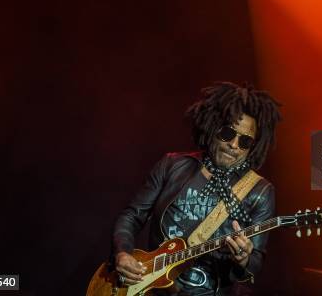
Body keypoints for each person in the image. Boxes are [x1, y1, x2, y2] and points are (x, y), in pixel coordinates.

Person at [112, 82, 282, 295]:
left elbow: (255, 262)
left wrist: (244, 258)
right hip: (153, 288)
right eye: (228, 134)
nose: (234, 145)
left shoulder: (260, 191)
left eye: (245, 141)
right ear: (213, 129)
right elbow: (132, 216)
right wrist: (123, 253)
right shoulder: (172, 165)